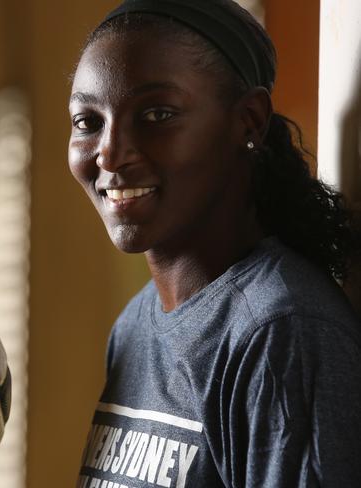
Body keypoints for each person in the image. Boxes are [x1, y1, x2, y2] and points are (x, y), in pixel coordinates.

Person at [71, 1, 361, 487]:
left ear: (248, 121)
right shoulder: (134, 326)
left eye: (157, 113)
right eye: (87, 122)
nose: (111, 151)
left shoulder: (280, 334)